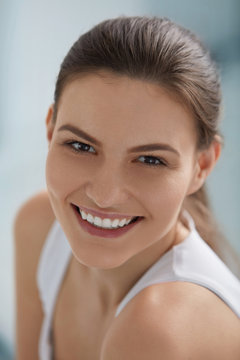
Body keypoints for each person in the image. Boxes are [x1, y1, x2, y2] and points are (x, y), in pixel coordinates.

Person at [14, 16, 240, 360]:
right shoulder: (38, 226)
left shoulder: (156, 331)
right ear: (51, 129)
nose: (104, 196)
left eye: (150, 160)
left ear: (202, 166)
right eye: (81, 146)